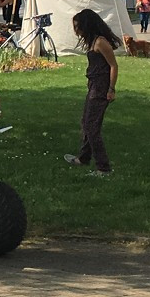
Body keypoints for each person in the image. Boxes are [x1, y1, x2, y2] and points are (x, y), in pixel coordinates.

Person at [63, 10, 119, 177]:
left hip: (101, 88)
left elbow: (113, 66)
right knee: (86, 122)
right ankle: (84, 158)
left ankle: (104, 167)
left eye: (78, 26)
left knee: (92, 127)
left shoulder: (101, 42)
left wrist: (111, 89)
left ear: (87, 24)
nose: (76, 30)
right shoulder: (93, 41)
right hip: (94, 85)